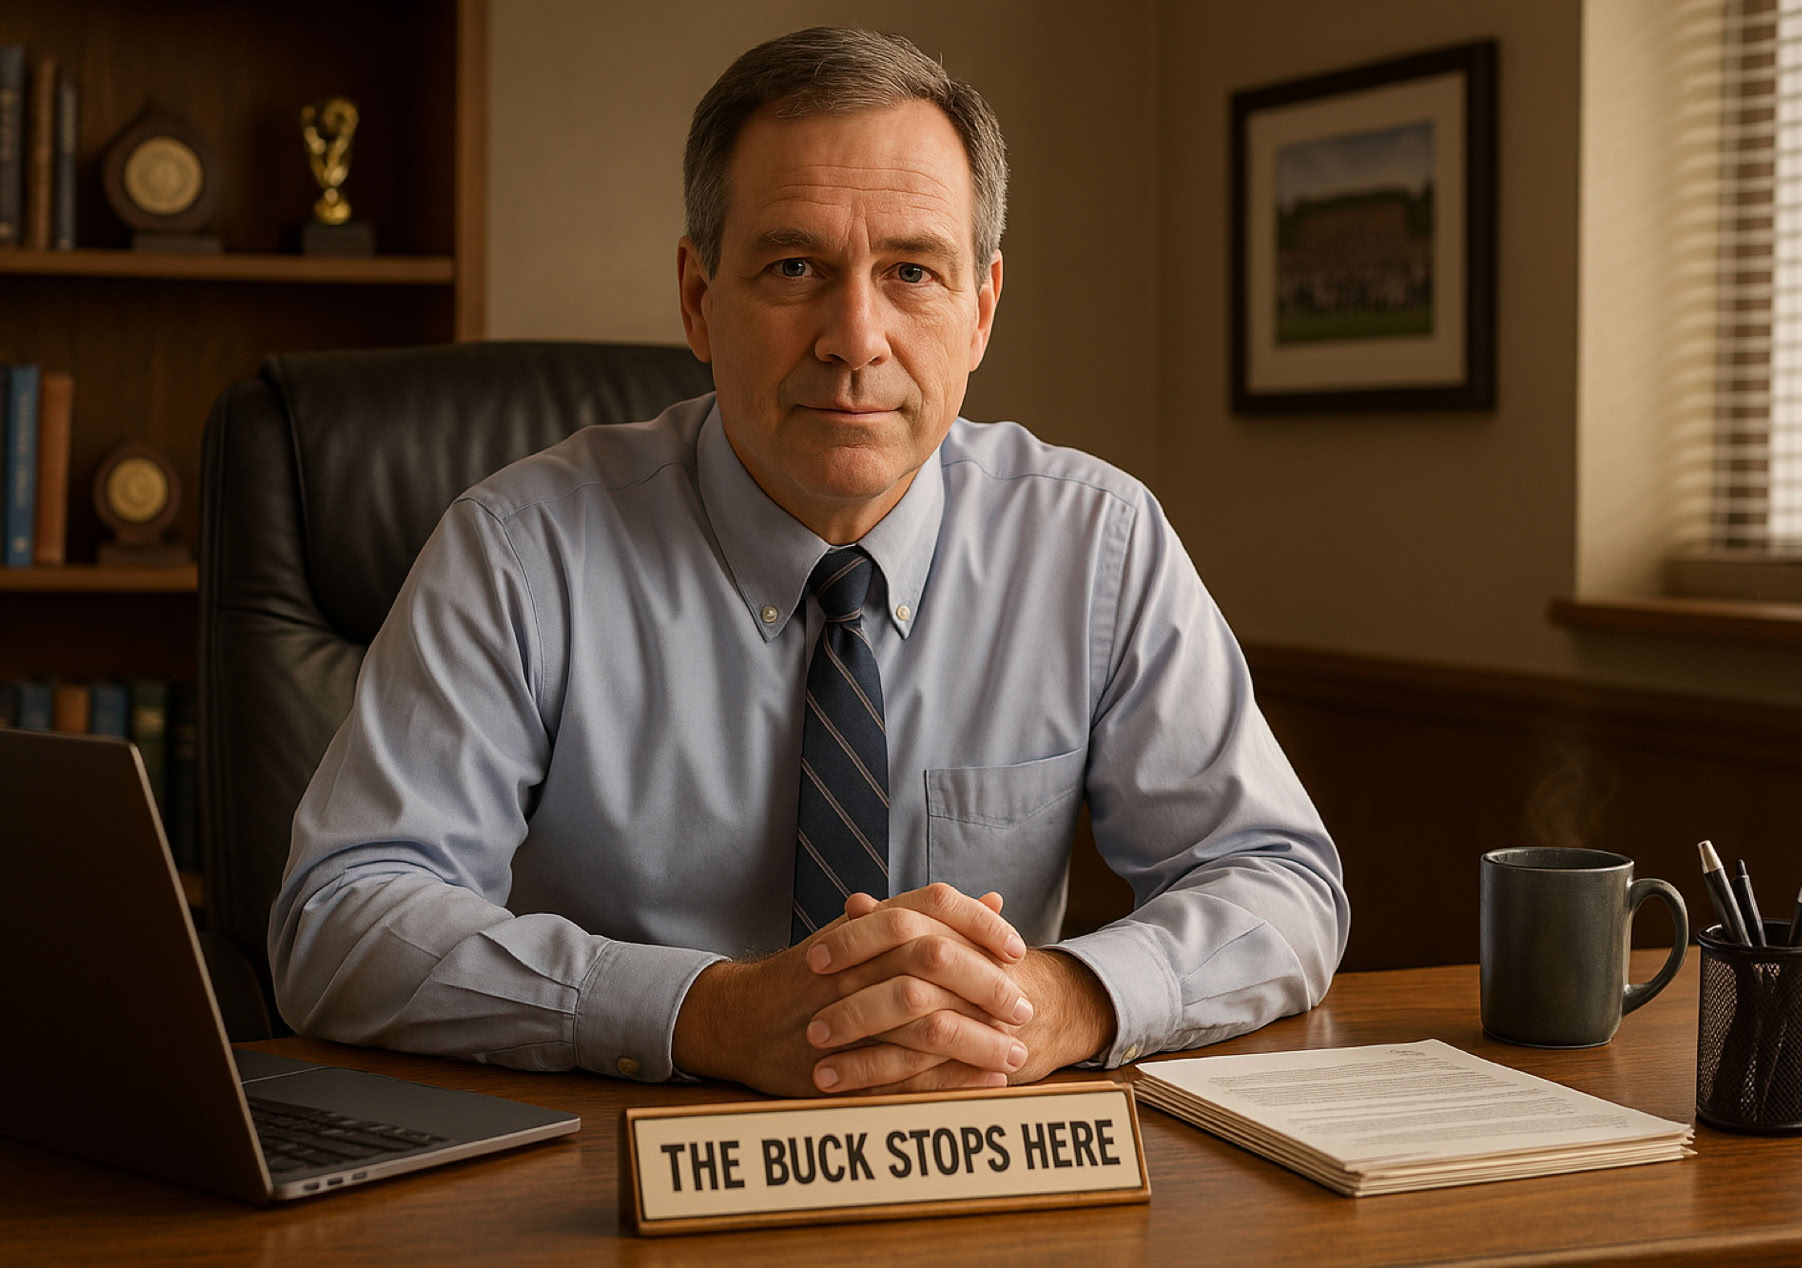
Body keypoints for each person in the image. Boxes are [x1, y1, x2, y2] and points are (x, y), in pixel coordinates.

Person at [270, 26, 1349, 1099]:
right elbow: (340, 918)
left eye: (912, 271)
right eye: (794, 266)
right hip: (608, 1169)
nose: (853, 336)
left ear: (978, 311)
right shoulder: (519, 550)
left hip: (970, 1150)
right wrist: (703, 1011)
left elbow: (1280, 883)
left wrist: (1059, 1002)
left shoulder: (1094, 544)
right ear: (698, 297)